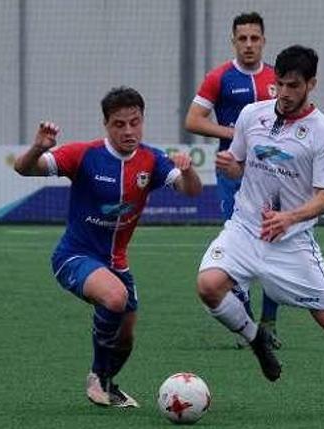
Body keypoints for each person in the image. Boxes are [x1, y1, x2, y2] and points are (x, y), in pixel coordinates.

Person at [195, 45, 324, 416]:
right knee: (208, 286)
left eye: (294, 85)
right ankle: (255, 339)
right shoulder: (251, 115)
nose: (284, 93)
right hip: (245, 229)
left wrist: (290, 218)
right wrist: (232, 167)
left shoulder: (322, 133)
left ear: (311, 84)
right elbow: (242, 164)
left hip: (290, 242)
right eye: (279, 84)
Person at [14, 86, 202, 408]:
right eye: (119, 124)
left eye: (135, 122)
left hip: (117, 262)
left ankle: (108, 384)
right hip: (74, 256)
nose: (128, 130)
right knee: (115, 298)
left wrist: (188, 170)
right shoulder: (84, 155)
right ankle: (96, 378)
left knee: (126, 337)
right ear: (106, 124)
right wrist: (37, 148)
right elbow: (23, 168)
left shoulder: (152, 159)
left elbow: (191, 191)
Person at [185, 11, 282, 350]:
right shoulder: (220, 77)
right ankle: (248, 322)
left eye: (255, 38)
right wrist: (234, 132)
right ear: (234, 41)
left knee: (273, 243)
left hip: (272, 176)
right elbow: (193, 120)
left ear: (264, 41)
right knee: (238, 244)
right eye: (243, 38)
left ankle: (270, 323)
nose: (249, 45)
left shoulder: (276, 77)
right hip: (232, 173)